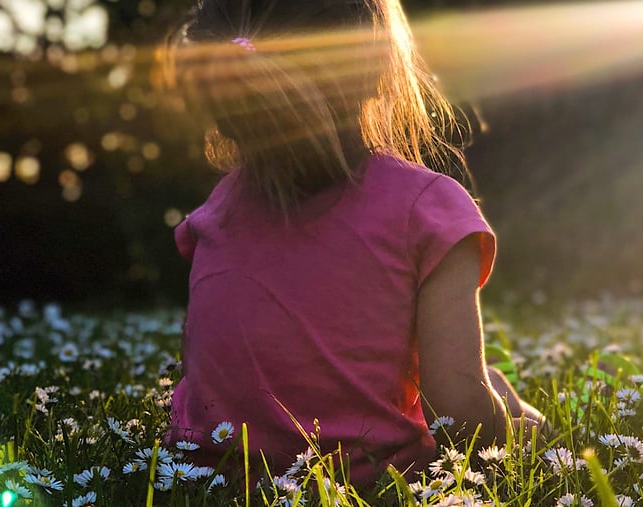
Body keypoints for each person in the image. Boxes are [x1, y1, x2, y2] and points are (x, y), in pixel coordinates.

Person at [163, 0, 544, 485]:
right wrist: (525, 435)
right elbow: (459, 412)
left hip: (208, 481)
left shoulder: (215, 214)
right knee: (494, 395)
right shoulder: (427, 209)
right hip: (366, 483)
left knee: (491, 382)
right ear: (377, 68)